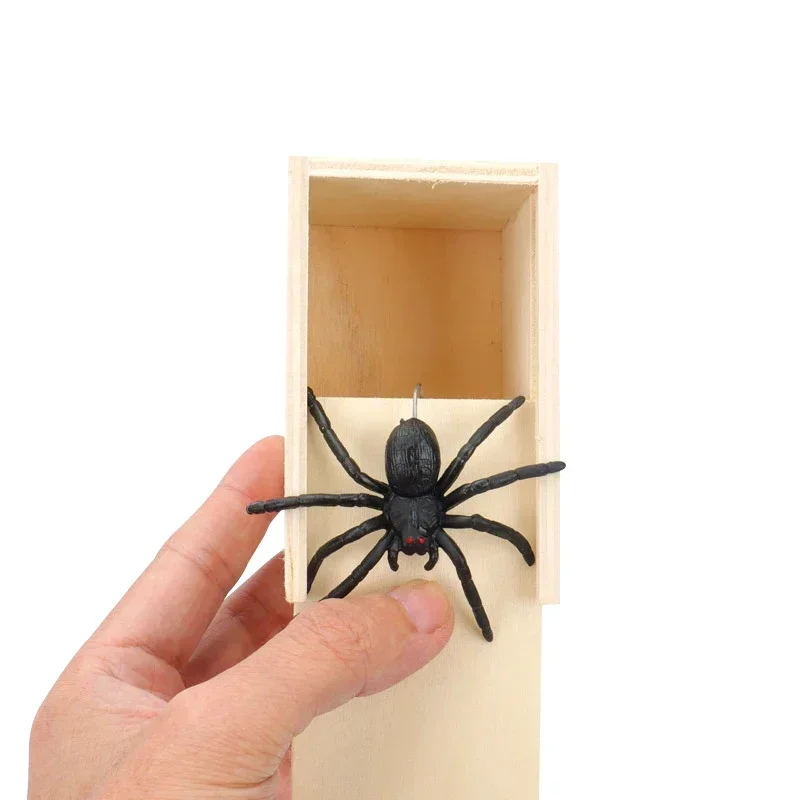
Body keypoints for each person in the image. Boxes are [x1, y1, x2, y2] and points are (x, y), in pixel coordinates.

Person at [28, 437, 454, 799]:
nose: (413, 542)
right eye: (413, 538)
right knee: (336, 544)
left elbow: (334, 529)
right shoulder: (427, 512)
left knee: (340, 546)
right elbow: (328, 537)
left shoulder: (390, 516)